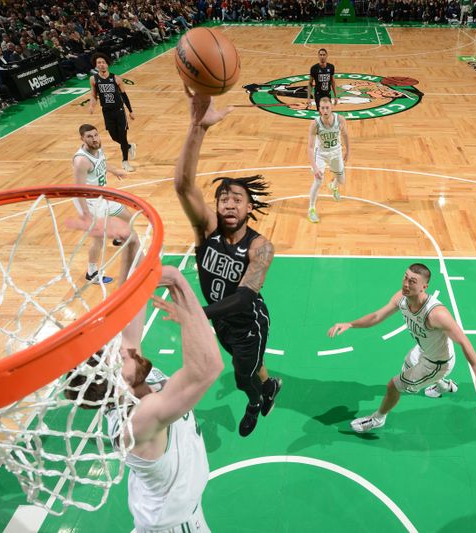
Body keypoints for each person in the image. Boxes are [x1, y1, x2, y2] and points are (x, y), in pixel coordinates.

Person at [67, 264, 223, 532]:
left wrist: (129, 234)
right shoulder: (138, 420)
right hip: (172, 527)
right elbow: (208, 368)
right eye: (118, 357)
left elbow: (132, 295)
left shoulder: (131, 381)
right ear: (116, 383)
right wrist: (178, 285)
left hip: (176, 514)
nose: (126, 350)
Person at [173, 89, 282, 437]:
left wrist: (198, 314)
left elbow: (247, 297)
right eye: (223, 198)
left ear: (250, 208)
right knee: (251, 364)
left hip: (248, 323)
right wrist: (198, 128)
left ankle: (256, 400)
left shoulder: (261, 246)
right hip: (219, 321)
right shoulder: (206, 230)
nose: (229, 204)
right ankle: (271, 384)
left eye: (237, 199)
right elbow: (183, 185)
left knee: (241, 376)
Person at [327, 263, 476, 433]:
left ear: (424, 286)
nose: (406, 284)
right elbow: (377, 316)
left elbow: (464, 341)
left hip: (437, 363)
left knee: (393, 386)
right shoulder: (402, 297)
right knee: (407, 365)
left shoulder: (436, 314)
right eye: (405, 277)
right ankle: (443, 386)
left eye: (413, 281)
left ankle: (378, 418)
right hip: (424, 350)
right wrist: (350, 324)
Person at [72, 123, 132, 284]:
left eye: (95, 135)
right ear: (82, 139)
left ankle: (118, 238)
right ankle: (91, 273)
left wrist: (115, 171)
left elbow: (102, 164)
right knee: (98, 238)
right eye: (89, 137)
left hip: (102, 196)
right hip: (90, 202)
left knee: (127, 216)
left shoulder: (98, 149)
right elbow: (78, 190)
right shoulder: (81, 161)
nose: (94, 139)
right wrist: (85, 214)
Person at [88, 53, 137, 173]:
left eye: (103, 62)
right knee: (114, 136)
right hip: (107, 112)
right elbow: (94, 95)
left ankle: (125, 161)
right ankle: (129, 146)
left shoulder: (116, 78)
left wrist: (130, 111)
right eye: (99, 63)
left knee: (123, 136)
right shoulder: (93, 79)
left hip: (119, 111)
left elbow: (124, 96)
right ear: (96, 65)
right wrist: (91, 106)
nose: (101, 65)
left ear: (107, 64)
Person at [306, 96, 349, 223]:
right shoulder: (315, 124)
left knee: (341, 180)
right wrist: (314, 168)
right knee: (318, 181)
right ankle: (311, 209)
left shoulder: (340, 120)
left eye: (327, 108)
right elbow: (309, 147)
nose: (325, 110)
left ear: (332, 108)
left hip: (336, 152)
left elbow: (346, 135)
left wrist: (348, 151)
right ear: (319, 109)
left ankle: (333, 186)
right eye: (322, 108)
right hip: (321, 154)